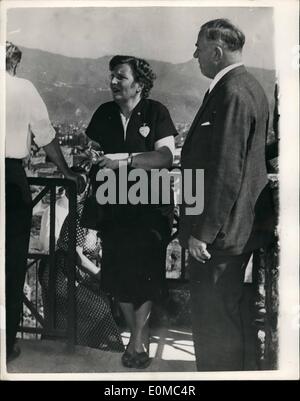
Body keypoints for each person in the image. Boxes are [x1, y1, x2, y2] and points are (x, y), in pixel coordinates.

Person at [178, 19, 275, 371]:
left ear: (217, 52)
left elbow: (226, 171)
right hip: (235, 231)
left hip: (218, 236)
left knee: (213, 322)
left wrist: (202, 233)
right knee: (228, 317)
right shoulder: (248, 86)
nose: (195, 55)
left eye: (199, 48)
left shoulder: (231, 92)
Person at [86, 55, 177, 368]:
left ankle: (137, 341)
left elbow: (165, 157)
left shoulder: (157, 112)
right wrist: (94, 159)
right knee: (119, 274)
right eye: (112, 76)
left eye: (120, 77)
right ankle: (138, 338)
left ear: (139, 84)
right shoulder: (104, 113)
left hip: (150, 209)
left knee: (145, 275)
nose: (113, 82)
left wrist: (124, 161)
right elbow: (93, 152)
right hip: (114, 209)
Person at [5, 42, 85, 363]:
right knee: (12, 265)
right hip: (10, 179)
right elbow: (45, 134)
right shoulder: (23, 89)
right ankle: (6, 345)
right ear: (15, 63)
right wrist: (66, 172)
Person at [38, 198, 125, 353]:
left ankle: (91, 349)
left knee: (104, 300)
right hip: (60, 273)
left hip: (77, 274)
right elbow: (76, 256)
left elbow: (95, 250)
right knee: (100, 307)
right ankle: (112, 351)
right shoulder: (81, 211)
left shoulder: (104, 213)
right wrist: (102, 276)